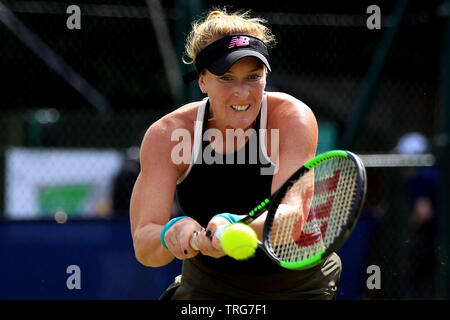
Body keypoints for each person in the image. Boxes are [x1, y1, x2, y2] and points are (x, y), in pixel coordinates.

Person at [130, 8, 341, 300]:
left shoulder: (292, 118)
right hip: (208, 284)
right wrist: (174, 233)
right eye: (227, 78)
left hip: (298, 284)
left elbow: (290, 220)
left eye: (253, 77)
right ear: (202, 82)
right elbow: (145, 245)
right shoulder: (167, 135)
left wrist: (235, 223)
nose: (242, 92)